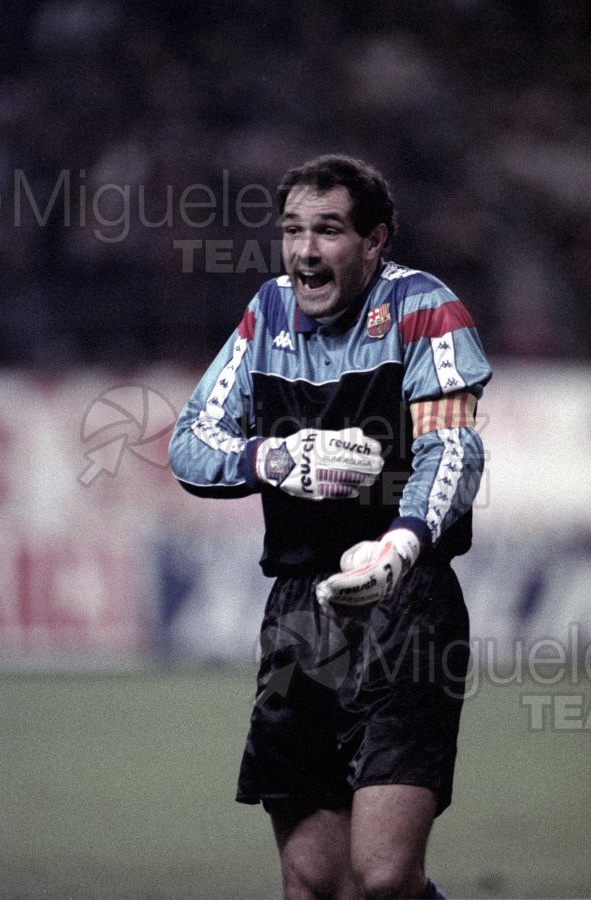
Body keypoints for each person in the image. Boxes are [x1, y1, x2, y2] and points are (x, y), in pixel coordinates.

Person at [169, 154, 492, 899]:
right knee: (313, 883)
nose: (305, 251)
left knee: (381, 878)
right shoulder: (266, 313)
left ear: (374, 241)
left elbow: (452, 448)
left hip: (406, 607)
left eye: (328, 230)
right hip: (296, 616)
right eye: (292, 230)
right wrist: (273, 457)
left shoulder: (424, 309)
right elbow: (188, 444)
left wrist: (399, 543)